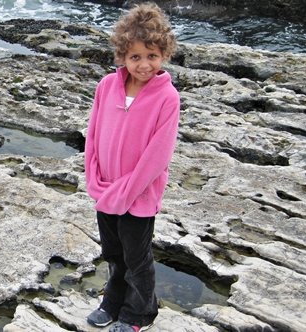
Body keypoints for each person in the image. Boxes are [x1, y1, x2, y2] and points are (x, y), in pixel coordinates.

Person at [83, 2, 179, 332]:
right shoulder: (106, 87)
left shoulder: (167, 98)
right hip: (106, 189)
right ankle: (113, 300)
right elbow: (93, 135)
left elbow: (158, 155)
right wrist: (94, 180)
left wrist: (124, 192)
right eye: (135, 56)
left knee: (137, 259)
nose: (143, 64)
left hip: (138, 196)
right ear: (122, 55)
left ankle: (139, 313)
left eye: (152, 56)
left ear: (163, 54)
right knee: (113, 252)